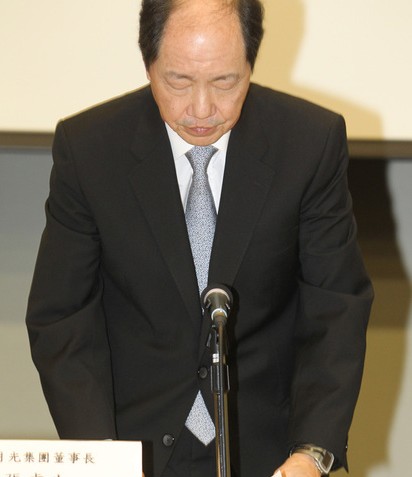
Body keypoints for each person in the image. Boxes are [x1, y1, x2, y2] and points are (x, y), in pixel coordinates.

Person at [26, 1, 373, 476]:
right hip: (132, 448)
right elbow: (62, 317)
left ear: (250, 65)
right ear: (148, 64)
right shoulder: (89, 150)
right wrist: (101, 457)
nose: (202, 109)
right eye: (179, 82)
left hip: (270, 455)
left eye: (225, 82)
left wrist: (312, 453)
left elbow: (335, 307)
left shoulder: (309, 143)